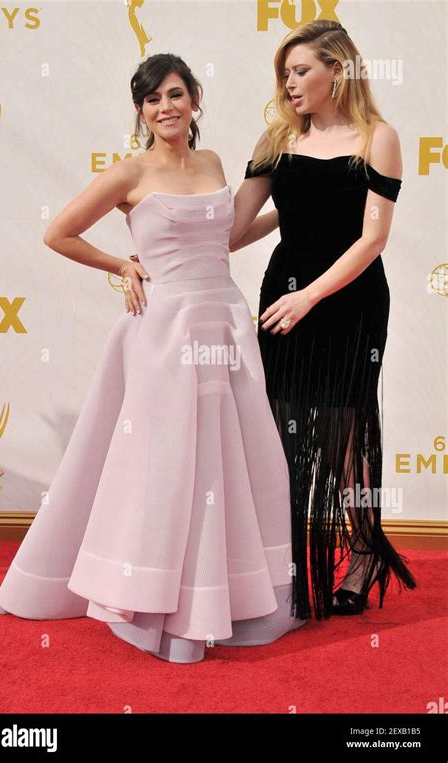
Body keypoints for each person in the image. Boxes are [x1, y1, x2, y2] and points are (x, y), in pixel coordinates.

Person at [0, 54, 307, 664]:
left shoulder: (215, 164)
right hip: (164, 330)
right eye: (150, 99)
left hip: (224, 322)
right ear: (140, 111)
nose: (164, 107)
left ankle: (224, 598)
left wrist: (287, 213)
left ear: (194, 98)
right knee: (165, 465)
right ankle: (154, 603)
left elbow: (223, 237)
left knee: (230, 461)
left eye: (174, 94)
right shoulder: (129, 172)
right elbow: (58, 231)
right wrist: (122, 264)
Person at [231, 20, 416, 620]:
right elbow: (235, 229)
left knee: (344, 436)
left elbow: (372, 240)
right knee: (279, 427)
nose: (289, 84)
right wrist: (159, 241)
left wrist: (310, 296)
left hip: (348, 301)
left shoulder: (376, 138)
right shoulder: (278, 140)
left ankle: (364, 553)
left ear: (339, 71)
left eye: (301, 70)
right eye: (284, 73)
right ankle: (283, 560)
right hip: (282, 295)